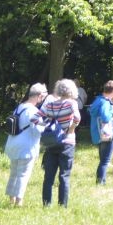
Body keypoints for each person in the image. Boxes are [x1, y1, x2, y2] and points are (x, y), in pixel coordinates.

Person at [4, 83, 47, 206]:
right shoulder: (33, 111)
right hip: (26, 147)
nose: (42, 100)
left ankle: (11, 199)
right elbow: (38, 129)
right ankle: (19, 201)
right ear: (39, 96)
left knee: (14, 173)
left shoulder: (19, 107)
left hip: (13, 144)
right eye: (43, 97)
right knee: (23, 174)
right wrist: (46, 125)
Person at [40, 79, 81, 207]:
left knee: (48, 177)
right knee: (64, 175)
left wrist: (49, 127)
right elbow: (77, 118)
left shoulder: (51, 104)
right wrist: (71, 129)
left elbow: (40, 119)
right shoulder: (71, 103)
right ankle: (62, 205)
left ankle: (46, 204)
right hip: (67, 142)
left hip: (52, 142)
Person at [89, 80, 113, 185]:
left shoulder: (97, 100)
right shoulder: (106, 102)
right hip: (107, 134)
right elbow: (106, 117)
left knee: (102, 160)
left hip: (98, 134)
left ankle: (100, 180)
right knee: (105, 161)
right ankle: (101, 182)